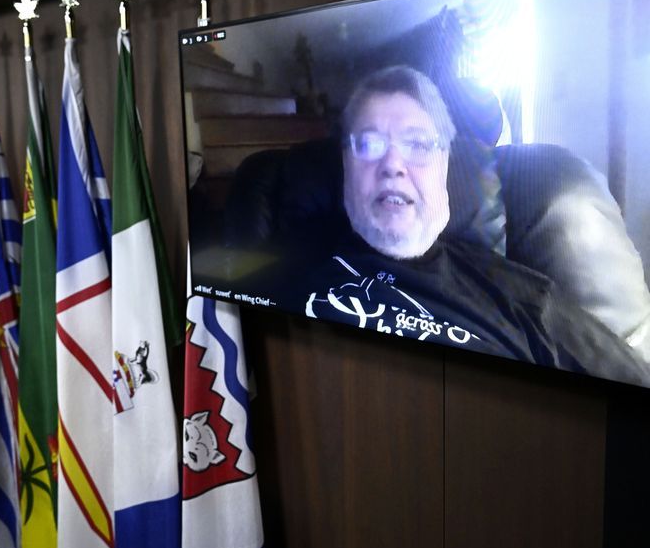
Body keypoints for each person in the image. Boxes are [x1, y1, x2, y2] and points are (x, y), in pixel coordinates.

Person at [265, 65, 650, 387]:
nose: (393, 165)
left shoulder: (529, 300)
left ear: (445, 166)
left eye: (417, 144)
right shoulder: (282, 263)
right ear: (346, 163)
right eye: (369, 144)